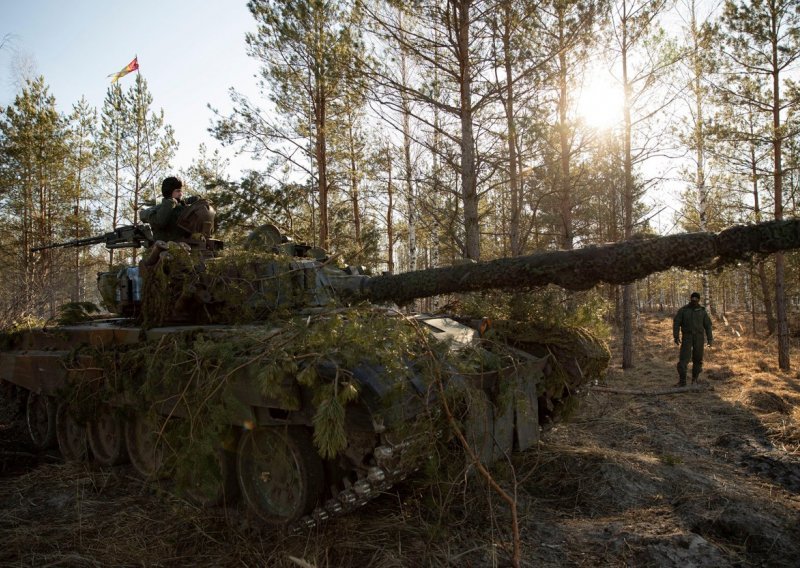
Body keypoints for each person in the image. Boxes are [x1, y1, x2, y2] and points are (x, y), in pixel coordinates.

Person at [672, 292, 713, 386]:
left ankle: (695, 380)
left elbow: (708, 325)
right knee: (683, 359)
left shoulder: (702, 311)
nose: (694, 300)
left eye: (696, 298)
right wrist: (676, 336)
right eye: (693, 298)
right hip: (687, 337)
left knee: (698, 359)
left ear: (699, 299)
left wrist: (710, 339)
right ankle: (682, 381)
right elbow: (676, 323)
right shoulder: (683, 310)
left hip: (699, 338)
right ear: (690, 298)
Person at [143, 177, 198, 242]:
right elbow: (160, 222)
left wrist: (196, 201)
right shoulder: (158, 210)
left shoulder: (182, 207)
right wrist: (170, 202)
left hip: (187, 246)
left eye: (181, 191)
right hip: (166, 248)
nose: (181, 194)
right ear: (169, 192)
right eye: (178, 191)